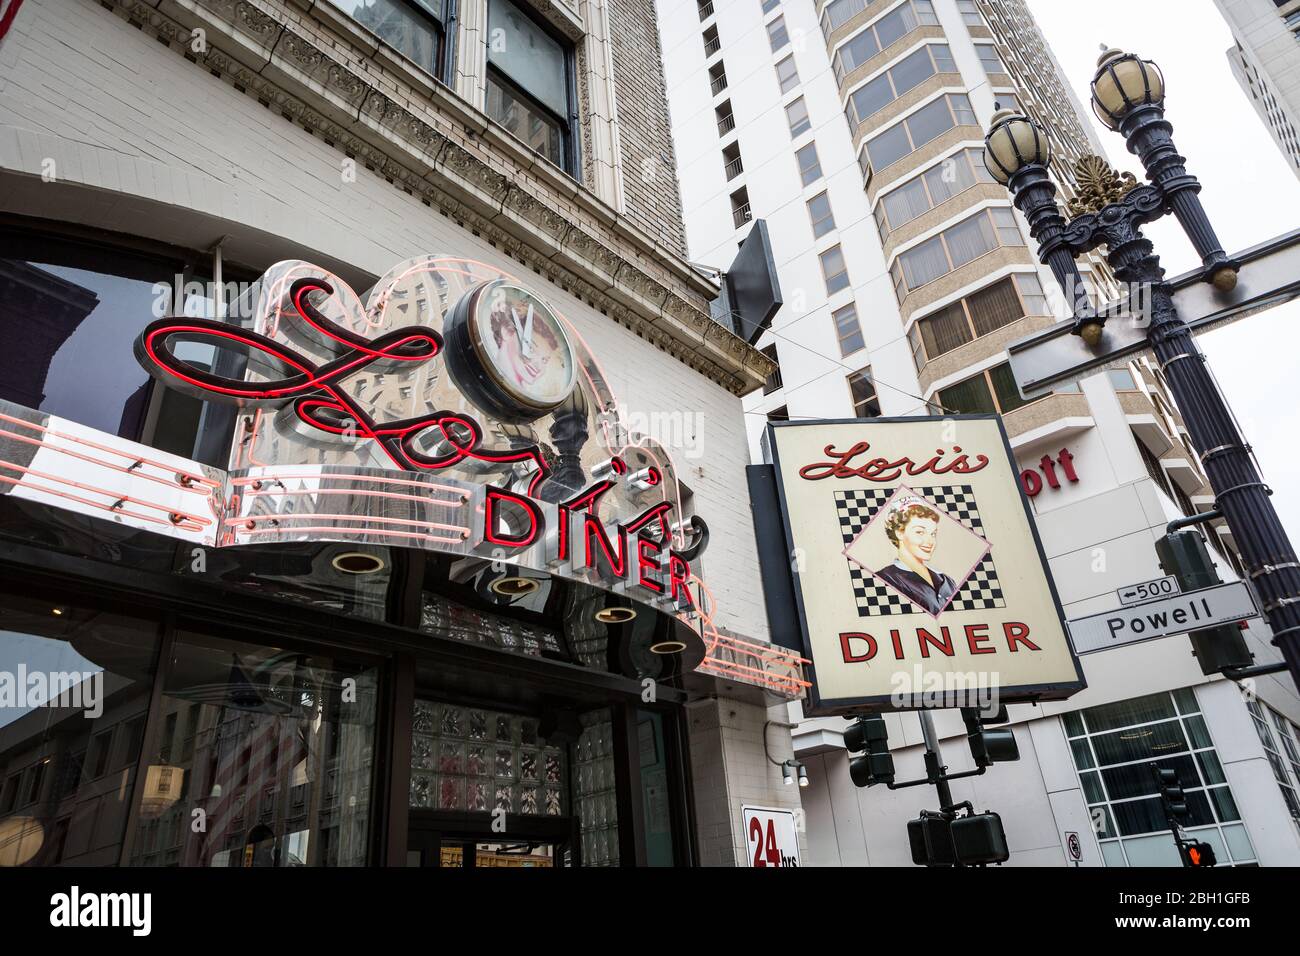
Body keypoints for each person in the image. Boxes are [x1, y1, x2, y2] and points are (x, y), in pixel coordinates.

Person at [874, 497, 958, 615]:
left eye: (933, 534)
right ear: (900, 533)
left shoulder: (947, 581)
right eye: (920, 532)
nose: (930, 541)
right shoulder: (885, 579)